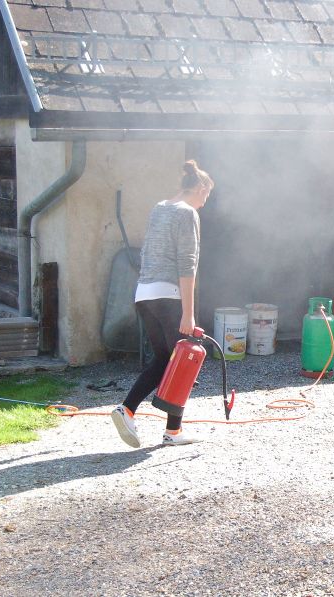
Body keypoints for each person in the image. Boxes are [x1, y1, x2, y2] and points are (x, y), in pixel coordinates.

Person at [111, 160, 214, 448]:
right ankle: (169, 430)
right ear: (201, 188)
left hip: (144, 293)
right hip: (168, 295)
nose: (205, 203)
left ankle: (130, 411)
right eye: (206, 196)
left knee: (165, 359)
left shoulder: (160, 207)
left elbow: (149, 251)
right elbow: (187, 265)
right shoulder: (187, 214)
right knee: (185, 359)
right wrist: (189, 313)